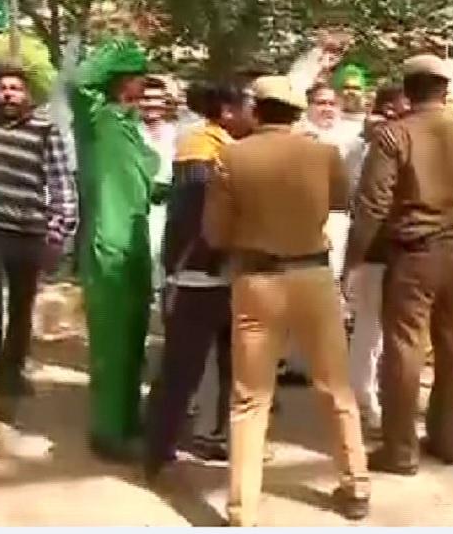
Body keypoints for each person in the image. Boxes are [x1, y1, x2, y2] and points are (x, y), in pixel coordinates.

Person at [203, 75, 370, 525]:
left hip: (257, 280)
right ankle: (356, 484)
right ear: (297, 114)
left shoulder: (231, 157)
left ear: (256, 110)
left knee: (249, 399)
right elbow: (340, 202)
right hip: (313, 275)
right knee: (335, 387)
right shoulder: (324, 153)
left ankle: (242, 508)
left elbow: (215, 233)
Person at [344, 54, 453, 474]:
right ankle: (448, 438)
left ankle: (400, 449)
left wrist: (353, 259)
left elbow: (372, 205)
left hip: (414, 253)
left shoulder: (394, 135)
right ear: (444, 89)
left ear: (407, 90)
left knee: (404, 348)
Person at [0, 59, 78, 423]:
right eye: (2, 88)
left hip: (26, 233)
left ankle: (11, 374)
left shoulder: (45, 130)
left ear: (27, 95)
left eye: (16, 89)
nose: (8, 94)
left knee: (21, 309)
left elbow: (62, 185)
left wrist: (57, 235)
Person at [145, 83, 249, 476]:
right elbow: (193, 217)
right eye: (249, 105)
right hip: (200, 277)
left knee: (228, 369)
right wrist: (212, 259)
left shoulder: (227, 147)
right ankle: (158, 451)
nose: (254, 114)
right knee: (182, 369)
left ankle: (212, 436)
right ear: (227, 111)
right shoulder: (200, 149)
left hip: (226, 276)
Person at [71, 37, 158, 462]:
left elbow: (148, 184)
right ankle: (107, 432)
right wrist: (122, 48)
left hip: (136, 245)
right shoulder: (96, 118)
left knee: (134, 339)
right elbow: (79, 82)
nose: (143, 87)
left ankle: (127, 418)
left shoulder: (132, 129)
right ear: (122, 80)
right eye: (138, 77)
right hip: (108, 244)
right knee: (111, 341)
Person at [345, 84, 409, 434]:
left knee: (393, 332)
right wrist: (353, 260)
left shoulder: (408, 142)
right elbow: (360, 200)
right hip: (374, 250)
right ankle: (364, 400)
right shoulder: (363, 148)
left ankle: (382, 399)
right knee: (370, 330)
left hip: (405, 250)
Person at [140, 76, 178, 291]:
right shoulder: (130, 132)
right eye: (146, 99)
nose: (151, 104)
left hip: (169, 207)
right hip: (136, 206)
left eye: (157, 99)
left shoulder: (177, 134)